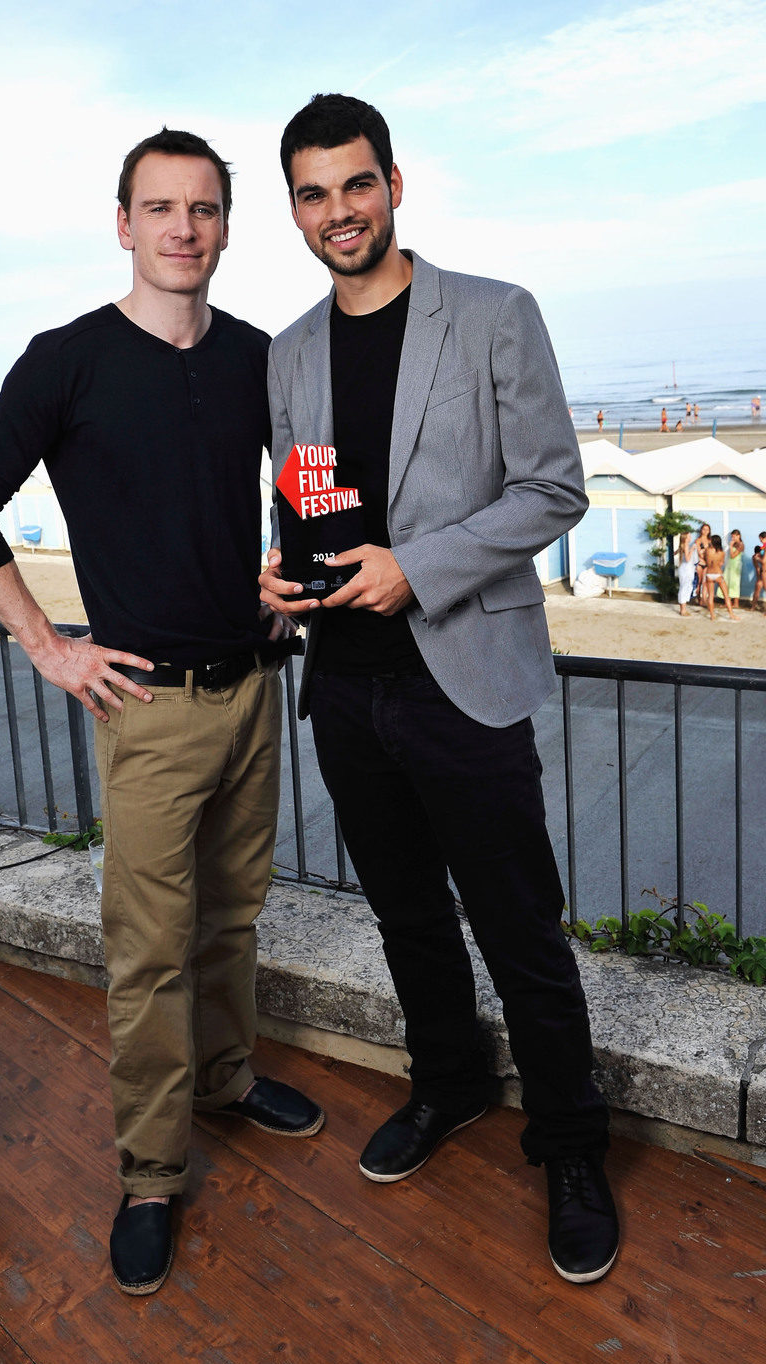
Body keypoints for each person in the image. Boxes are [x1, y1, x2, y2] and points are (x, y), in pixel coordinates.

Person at [0, 127, 323, 1299]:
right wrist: (50, 645)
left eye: (202, 209)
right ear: (123, 222)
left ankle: (227, 1075)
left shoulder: (259, 354)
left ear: (223, 225)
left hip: (253, 689)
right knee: (148, 953)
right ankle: (152, 1171)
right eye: (160, 208)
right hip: (146, 707)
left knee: (232, 919)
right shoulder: (68, 360)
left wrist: (287, 574)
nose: (182, 229)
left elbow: (303, 480)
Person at [259, 93, 616, 1285]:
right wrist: (285, 568)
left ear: (395, 185)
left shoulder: (496, 315)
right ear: (296, 210)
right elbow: (307, 489)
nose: (337, 211)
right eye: (313, 193)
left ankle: (570, 1144)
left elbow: (553, 491)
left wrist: (420, 567)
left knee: (520, 927)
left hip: (462, 674)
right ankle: (452, 1084)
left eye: (355, 185)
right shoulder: (290, 350)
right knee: (407, 915)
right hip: (345, 690)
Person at [703, 535, 738, 621]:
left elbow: (705, 560)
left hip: (709, 574)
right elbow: (721, 564)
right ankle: (731, 615)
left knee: (710, 595)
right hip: (718, 574)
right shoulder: (722, 553)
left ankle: (712, 616)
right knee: (726, 596)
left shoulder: (707, 551)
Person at [676, 533, 697, 616]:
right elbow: (688, 559)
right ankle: (683, 610)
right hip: (686, 569)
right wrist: (692, 549)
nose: (690, 537)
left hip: (685, 568)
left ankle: (683, 608)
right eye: (689, 536)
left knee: (685, 587)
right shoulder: (686, 545)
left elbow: (676, 553)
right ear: (685, 538)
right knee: (684, 588)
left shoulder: (682, 545)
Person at [724, 529, 744, 603]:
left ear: (739, 536)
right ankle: (729, 602)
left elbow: (733, 556)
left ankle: (736, 603)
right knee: (728, 582)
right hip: (730, 565)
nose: (733, 538)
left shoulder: (741, 545)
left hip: (736, 566)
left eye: (734, 537)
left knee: (735, 583)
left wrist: (731, 546)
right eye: (732, 537)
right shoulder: (735, 544)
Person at [695, 521, 712, 605]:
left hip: (707, 564)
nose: (705, 531)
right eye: (704, 529)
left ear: (709, 531)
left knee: (705, 582)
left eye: (707, 530)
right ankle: (698, 599)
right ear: (701, 530)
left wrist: (704, 551)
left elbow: (712, 552)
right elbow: (699, 553)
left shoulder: (710, 540)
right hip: (700, 563)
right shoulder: (698, 540)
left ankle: (704, 599)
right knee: (699, 582)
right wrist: (705, 552)